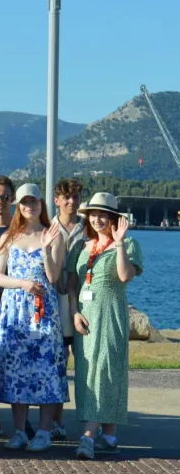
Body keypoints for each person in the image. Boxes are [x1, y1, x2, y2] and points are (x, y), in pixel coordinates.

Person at [0, 183, 67, 452]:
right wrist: (22, 284)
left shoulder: (54, 235)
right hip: (15, 311)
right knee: (17, 368)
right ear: (18, 205)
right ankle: (20, 431)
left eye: (33, 201)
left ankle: (44, 431)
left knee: (46, 368)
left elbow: (53, 277)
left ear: (41, 204)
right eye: (24, 202)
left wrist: (45, 250)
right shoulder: (8, 237)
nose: (29, 207)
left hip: (43, 311)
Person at [69, 193, 143, 459]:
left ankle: (88, 436)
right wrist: (74, 313)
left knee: (105, 370)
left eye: (103, 214)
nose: (97, 219)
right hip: (84, 318)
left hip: (110, 316)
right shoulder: (81, 247)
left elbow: (124, 276)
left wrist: (119, 243)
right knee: (89, 373)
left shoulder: (128, 244)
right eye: (93, 214)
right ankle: (109, 434)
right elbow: (72, 285)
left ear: (113, 218)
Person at [51, 177, 85, 440]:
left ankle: (92, 420)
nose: (71, 202)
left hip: (85, 303)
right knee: (58, 365)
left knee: (86, 366)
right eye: (66, 197)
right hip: (56, 305)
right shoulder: (49, 228)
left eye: (75, 197)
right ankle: (56, 421)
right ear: (57, 201)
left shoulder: (89, 228)